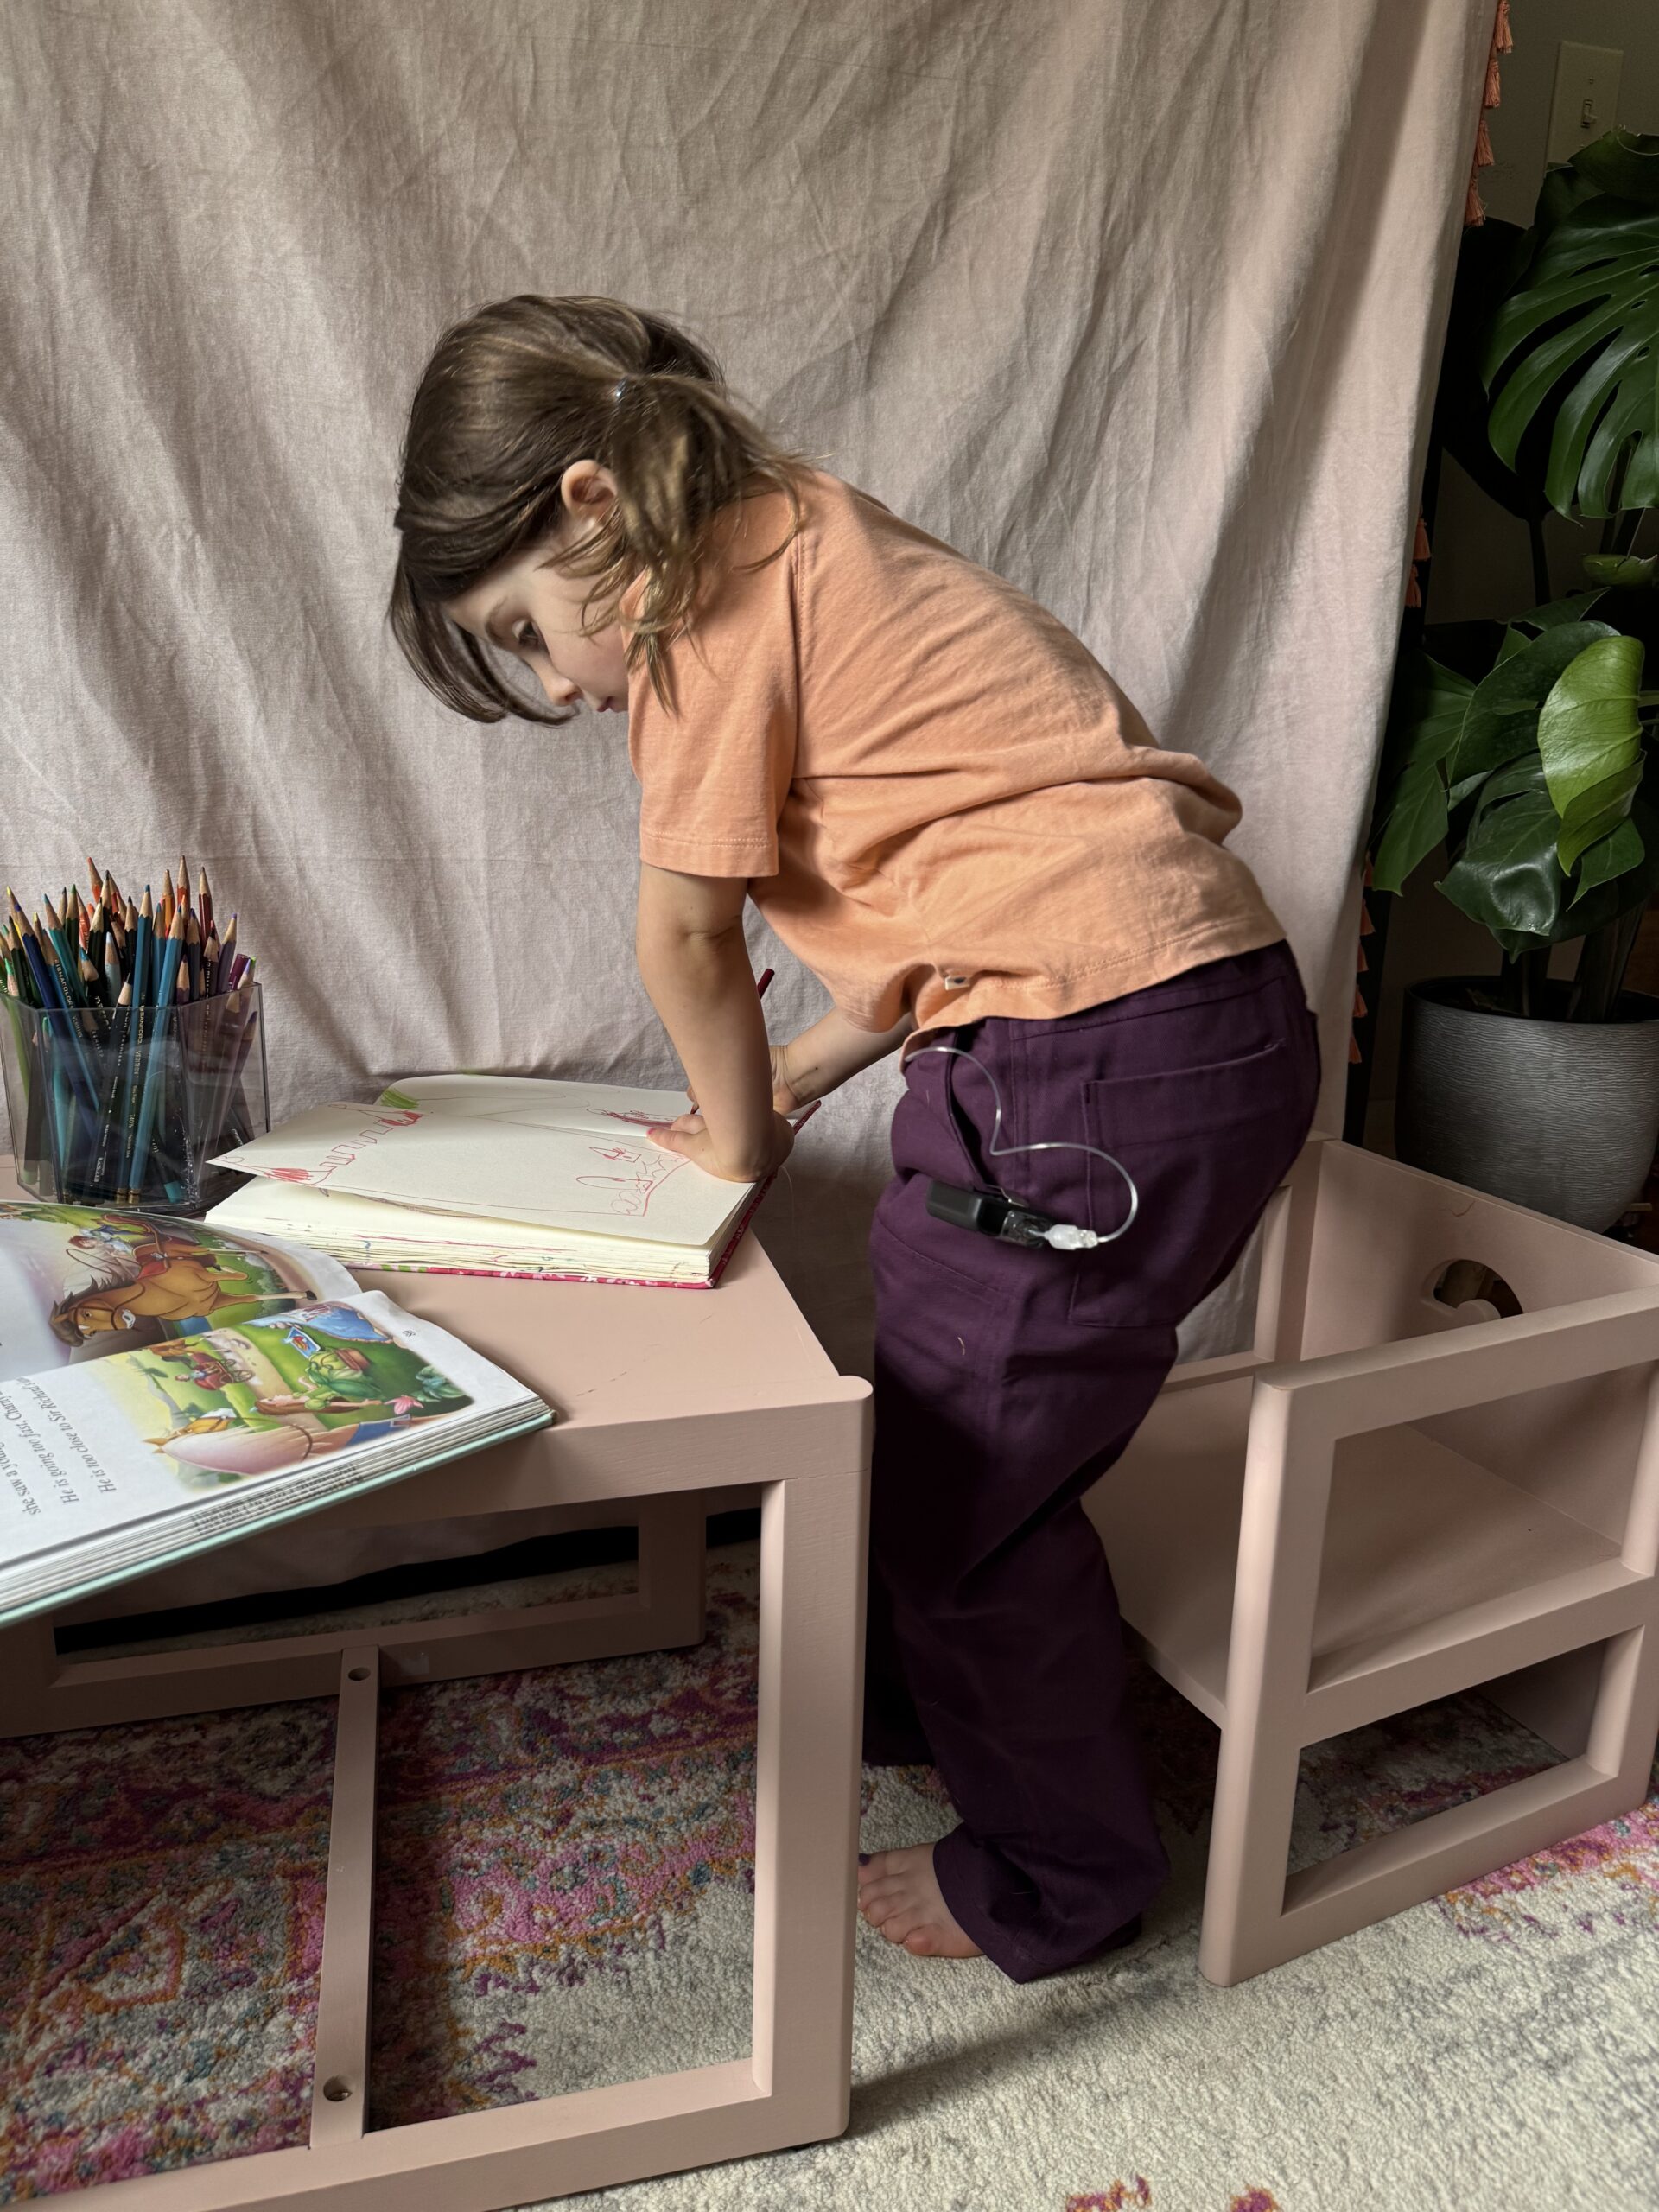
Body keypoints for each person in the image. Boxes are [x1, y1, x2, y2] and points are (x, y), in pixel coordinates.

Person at [388, 295, 1321, 1984]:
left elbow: (684, 936)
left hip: (1086, 1048)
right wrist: (802, 1074)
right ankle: (925, 1709)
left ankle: (1061, 1874)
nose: (560, 681)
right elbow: (945, 883)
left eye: (530, 632)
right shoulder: (815, 529)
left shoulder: (706, 618)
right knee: (946, 1384)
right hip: (1189, 1011)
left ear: (595, 508)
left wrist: (733, 1153)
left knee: (973, 1478)